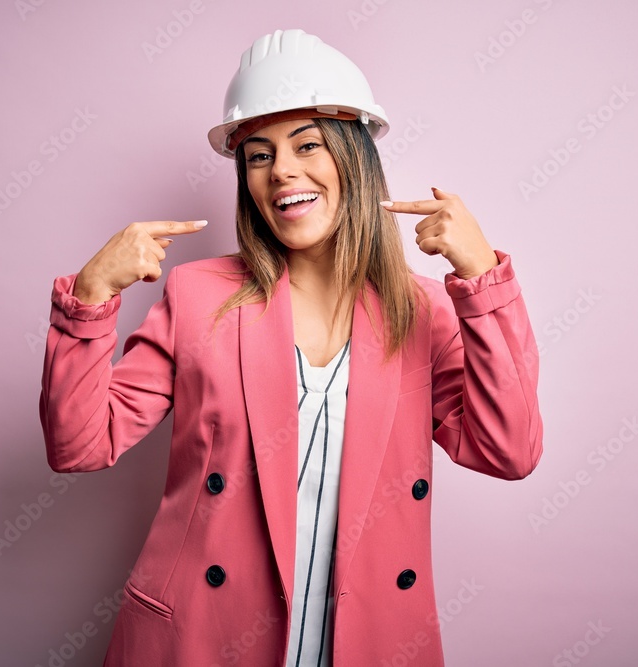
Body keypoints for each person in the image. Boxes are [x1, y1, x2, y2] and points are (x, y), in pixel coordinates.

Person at [39, 28, 543, 666]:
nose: (282, 171)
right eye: (257, 154)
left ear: (353, 158)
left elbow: (510, 450)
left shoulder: (421, 311)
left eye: (308, 145)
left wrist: (481, 280)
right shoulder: (198, 297)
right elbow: (79, 445)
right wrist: (89, 299)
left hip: (366, 642)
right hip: (203, 639)